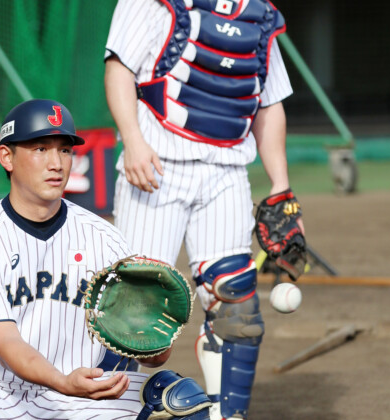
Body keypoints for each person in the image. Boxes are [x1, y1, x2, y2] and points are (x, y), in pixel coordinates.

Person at [0, 99, 212, 420]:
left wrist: (153, 343)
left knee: (180, 401)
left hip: (75, 396)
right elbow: (6, 341)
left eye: (64, 150)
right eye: (41, 149)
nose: (57, 163)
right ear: (6, 157)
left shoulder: (105, 239)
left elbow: (147, 352)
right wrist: (61, 381)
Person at [104, 1, 305, 419]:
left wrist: (281, 187)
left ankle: (227, 414)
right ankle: (108, 411)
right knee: (133, 313)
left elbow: (269, 103)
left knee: (237, 309)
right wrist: (133, 140)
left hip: (228, 170)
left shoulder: (259, 14)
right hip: (158, 166)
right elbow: (119, 69)